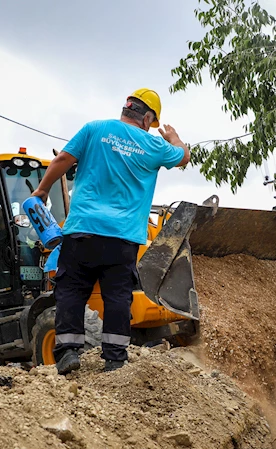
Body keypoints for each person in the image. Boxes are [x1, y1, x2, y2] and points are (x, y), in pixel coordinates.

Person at [31, 88, 190, 374]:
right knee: (117, 296)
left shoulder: (95, 129)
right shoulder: (155, 146)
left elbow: (62, 160)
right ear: (147, 118)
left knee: (71, 291)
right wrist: (173, 137)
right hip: (123, 237)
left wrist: (43, 190)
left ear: (127, 109)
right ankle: (115, 359)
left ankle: (68, 352)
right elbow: (183, 157)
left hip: (82, 230)